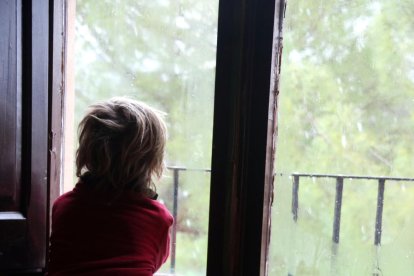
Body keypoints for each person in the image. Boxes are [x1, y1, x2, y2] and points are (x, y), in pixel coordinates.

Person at [48, 97, 173, 276]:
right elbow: (153, 262)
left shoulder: (63, 207)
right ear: (152, 162)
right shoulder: (158, 219)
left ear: (86, 152)